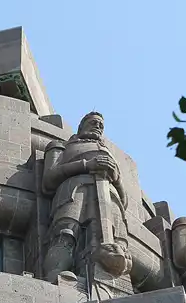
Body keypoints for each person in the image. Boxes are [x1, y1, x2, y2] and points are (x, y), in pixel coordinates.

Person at [42, 112, 130, 283]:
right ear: (81, 126)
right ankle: (56, 273)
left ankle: (102, 279)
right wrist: (87, 165)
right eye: (93, 122)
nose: (98, 127)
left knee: (112, 242)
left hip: (109, 197)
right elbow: (49, 180)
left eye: (101, 125)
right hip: (75, 190)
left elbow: (125, 200)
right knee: (66, 232)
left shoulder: (109, 155)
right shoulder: (61, 146)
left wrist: (116, 177)